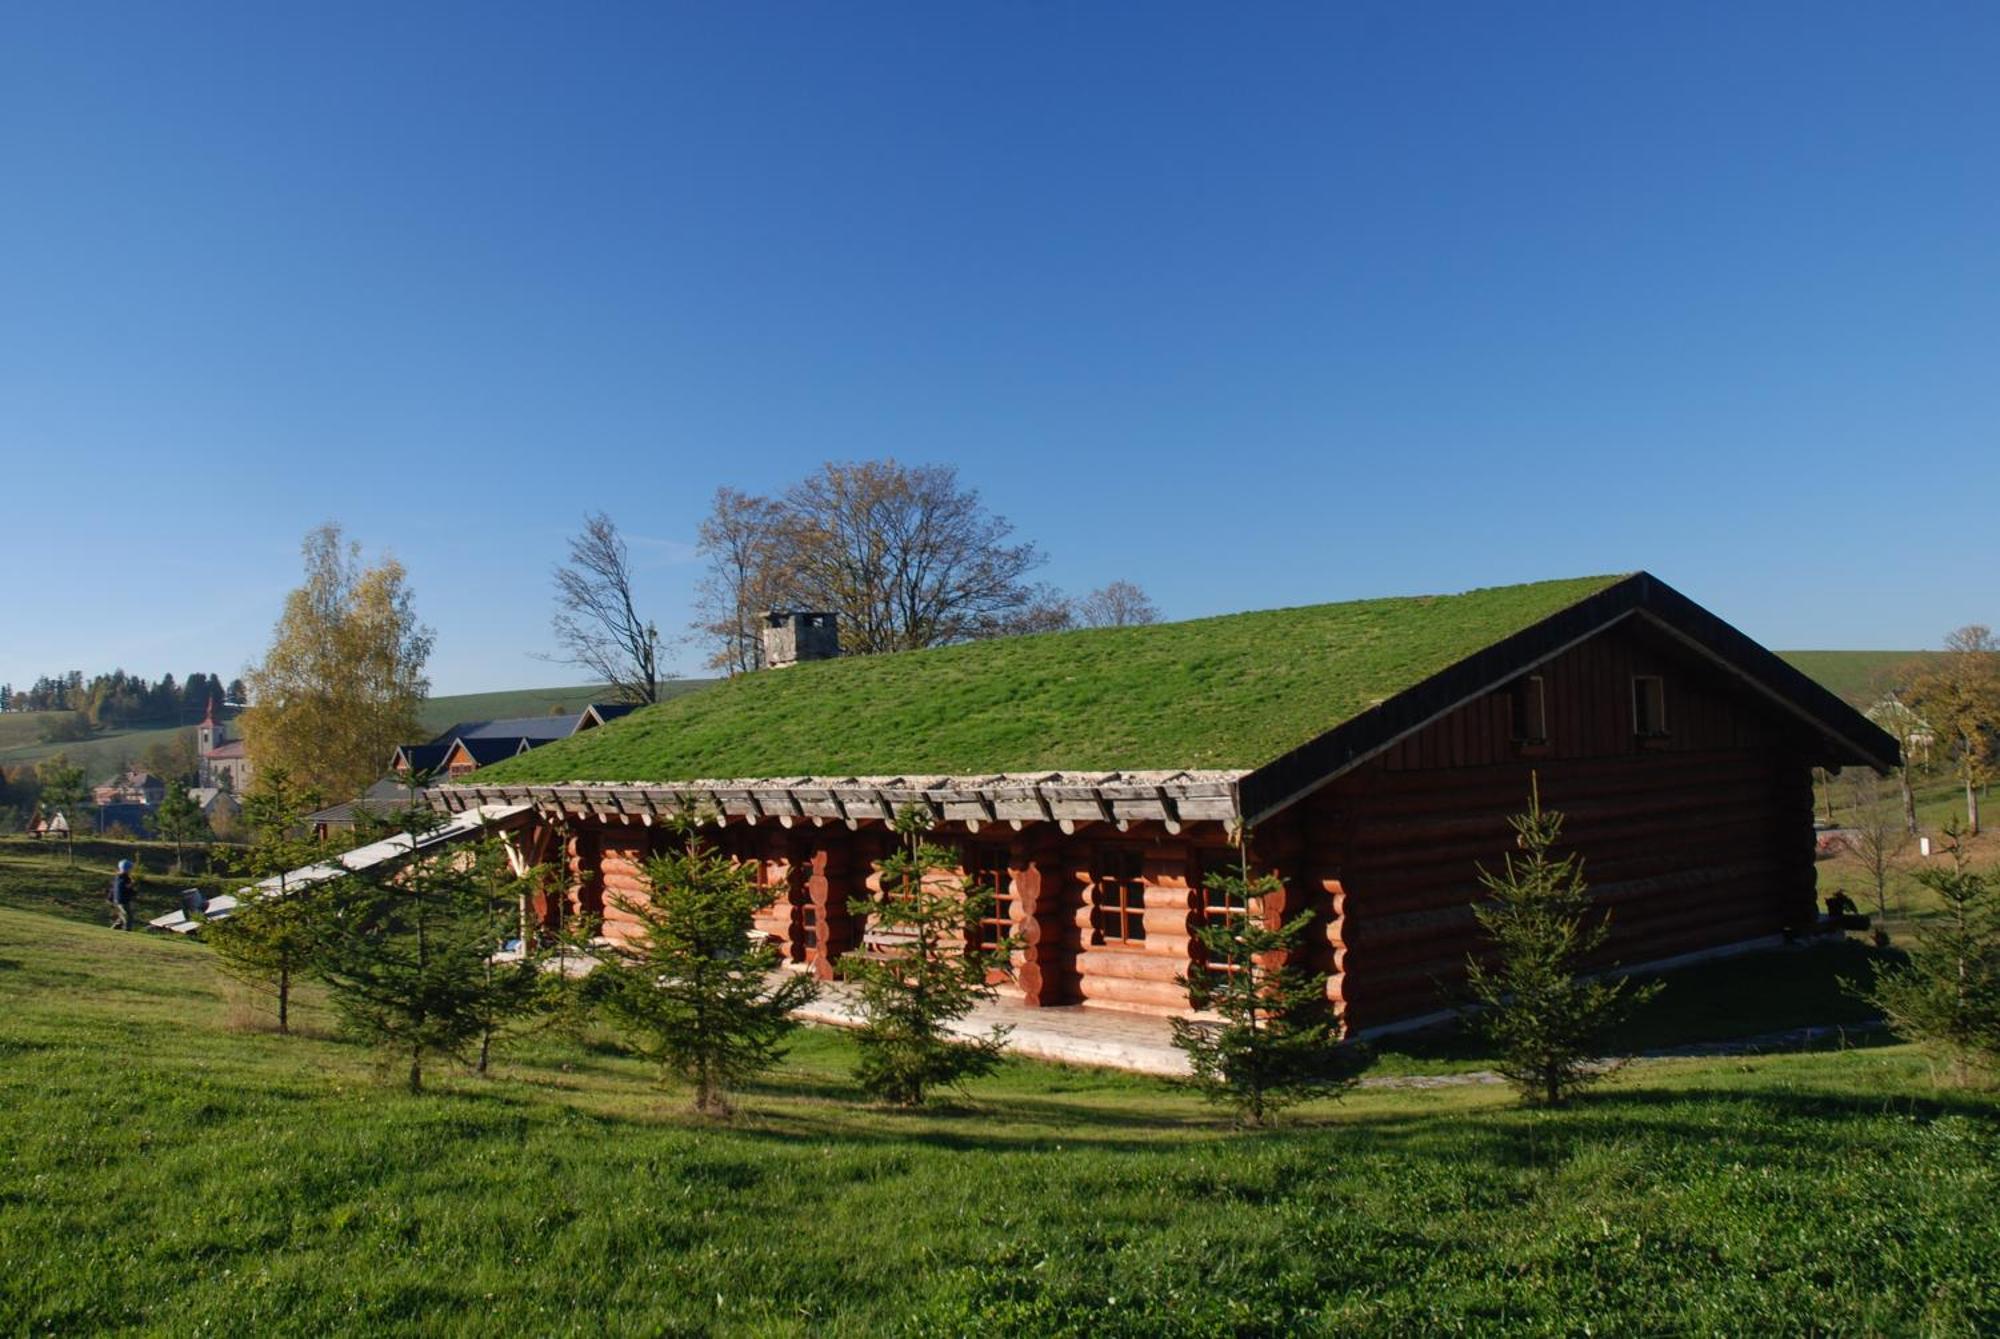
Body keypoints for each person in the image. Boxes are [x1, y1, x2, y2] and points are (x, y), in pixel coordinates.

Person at [107, 859, 136, 931]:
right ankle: (127, 930)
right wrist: (131, 887)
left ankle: (115, 928)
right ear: (127, 869)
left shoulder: (117, 877)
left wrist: (110, 898)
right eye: (130, 869)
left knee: (122, 915)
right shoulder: (125, 878)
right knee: (128, 915)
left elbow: (113, 888)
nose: (131, 870)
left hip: (117, 899)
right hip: (123, 899)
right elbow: (125, 888)